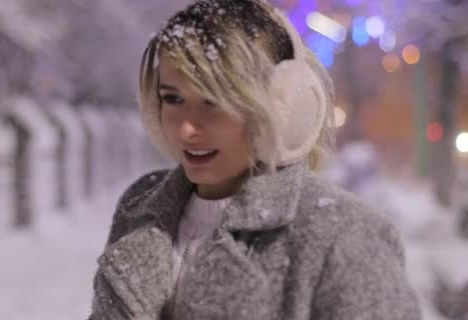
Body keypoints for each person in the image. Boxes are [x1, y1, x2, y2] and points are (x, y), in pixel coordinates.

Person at [88, 0, 422, 319]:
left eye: (213, 101)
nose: (187, 128)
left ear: (282, 105)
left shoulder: (345, 237)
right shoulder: (142, 207)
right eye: (172, 98)